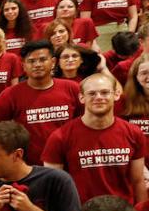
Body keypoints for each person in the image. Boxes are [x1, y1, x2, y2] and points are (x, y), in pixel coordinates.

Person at [44, 72, 147, 204]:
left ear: (116, 95)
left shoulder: (133, 133)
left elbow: (138, 181)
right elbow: (53, 186)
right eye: (92, 93)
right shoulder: (60, 137)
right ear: (81, 98)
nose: (98, 97)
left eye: (105, 92)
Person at [0, 39, 82, 165]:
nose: (37, 65)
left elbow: (83, 124)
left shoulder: (73, 88)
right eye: (31, 61)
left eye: (42, 59)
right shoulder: (9, 95)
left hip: (70, 162)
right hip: (29, 168)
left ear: (53, 62)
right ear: (23, 65)